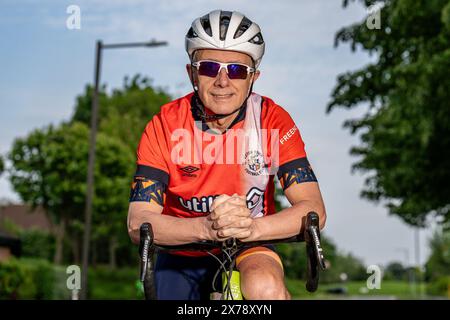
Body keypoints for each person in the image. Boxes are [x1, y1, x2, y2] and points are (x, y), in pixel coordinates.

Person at [127, 9, 326, 300]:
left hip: (251, 243)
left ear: (253, 77)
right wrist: (207, 227)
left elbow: (313, 210)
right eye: (209, 67)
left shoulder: (273, 119)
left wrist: (250, 228)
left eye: (236, 70)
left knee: (265, 289)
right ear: (191, 72)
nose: (222, 81)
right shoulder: (165, 123)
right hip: (183, 247)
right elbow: (137, 221)